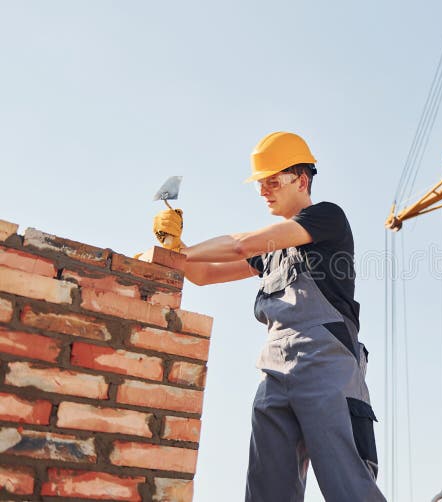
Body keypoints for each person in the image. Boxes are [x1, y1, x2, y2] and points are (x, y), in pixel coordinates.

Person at [152, 131, 386, 502]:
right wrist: (171, 252)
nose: (264, 191)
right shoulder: (271, 254)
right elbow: (205, 275)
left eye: (272, 182)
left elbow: (242, 243)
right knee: (268, 491)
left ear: (302, 180)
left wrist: (188, 249)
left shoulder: (327, 218)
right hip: (275, 372)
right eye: (261, 184)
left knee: (349, 487)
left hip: (327, 366)